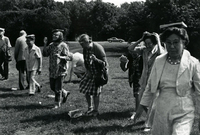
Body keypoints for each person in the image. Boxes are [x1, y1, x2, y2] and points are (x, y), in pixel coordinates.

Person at [135, 27, 200, 135]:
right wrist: (140, 108)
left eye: (176, 42)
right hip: (162, 109)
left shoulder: (193, 63)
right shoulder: (159, 61)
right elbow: (150, 86)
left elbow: (199, 91)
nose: (172, 46)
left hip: (184, 110)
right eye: (168, 42)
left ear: (183, 42)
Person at [128, 31, 165, 129]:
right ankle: (153, 118)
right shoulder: (144, 50)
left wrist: (158, 41)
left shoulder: (159, 50)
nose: (148, 45)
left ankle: (150, 124)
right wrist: (141, 39)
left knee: (153, 103)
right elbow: (130, 48)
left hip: (156, 81)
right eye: (146, 43)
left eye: (150, 43)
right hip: (145, 80)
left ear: (155, 43)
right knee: (142, 102)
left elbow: (161, 54)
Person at [78, 34, 108, 116]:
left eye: (82, 44)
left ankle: (96, 110)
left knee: (96, 93)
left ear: (88, 41)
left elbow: (104, 63)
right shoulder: (85, 49)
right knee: (86, 90)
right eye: (80, 44)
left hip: (98, 73)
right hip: (90, 72)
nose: (81, 46)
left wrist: (96, 59)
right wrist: (87, 71)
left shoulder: (97, 47)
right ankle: (90, 107)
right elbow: (85, 60)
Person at [43, 29, 70, 109]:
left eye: (56, 35)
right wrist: (45, 44)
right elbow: (45, 54)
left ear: (60, 36)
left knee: (57, 89)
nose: (54, 36)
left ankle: (57, 104)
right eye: (53, 35)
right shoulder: (51, 45)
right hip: (52, 69)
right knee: (52, 87)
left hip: (61, 69)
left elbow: (69, 57)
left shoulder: (63, 45)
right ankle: (64, 92)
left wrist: (60, 57)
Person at [119, 50, 143, 115]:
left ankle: (138, 112)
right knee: (136, 95)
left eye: (135, 51)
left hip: (143, 79)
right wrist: (122, 62)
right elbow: (124, 69)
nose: (133, 53)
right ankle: (139, 111)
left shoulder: (143, 58)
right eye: (131, 52)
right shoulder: (131, 59)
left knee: (138, 94)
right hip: (135, 80)